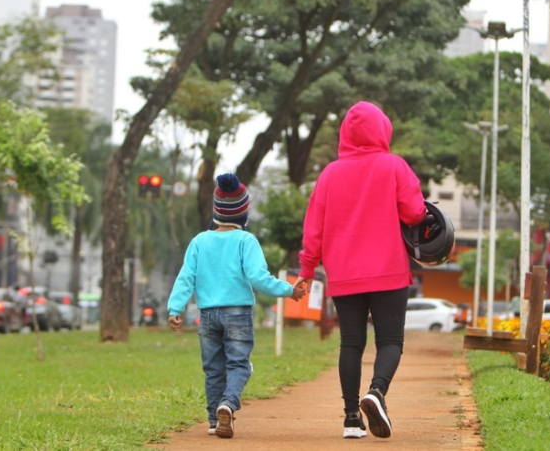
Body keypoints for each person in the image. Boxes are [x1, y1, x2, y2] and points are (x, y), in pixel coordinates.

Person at [295, 101, 427, 440]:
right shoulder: (394, 166)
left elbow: (314, 228)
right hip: (388, 270)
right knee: (390, 341)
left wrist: (307, 269)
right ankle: (377, 392)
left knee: (351, 343)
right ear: (382, 129)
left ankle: (352, 418)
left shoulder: (329, 174)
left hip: (343, 273)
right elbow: (414, 213)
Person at [167, 173, 306, 439]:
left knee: (213, 369)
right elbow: (258, 278)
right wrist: (289, 290)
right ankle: (228, 404)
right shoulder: (246, 241)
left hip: (207, 315)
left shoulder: (199, 241)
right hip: (238, 314)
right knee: (239, 365)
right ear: (243, 212)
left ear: (216, 210)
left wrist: (175, 309)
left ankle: (213, 419)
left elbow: (186, 277)